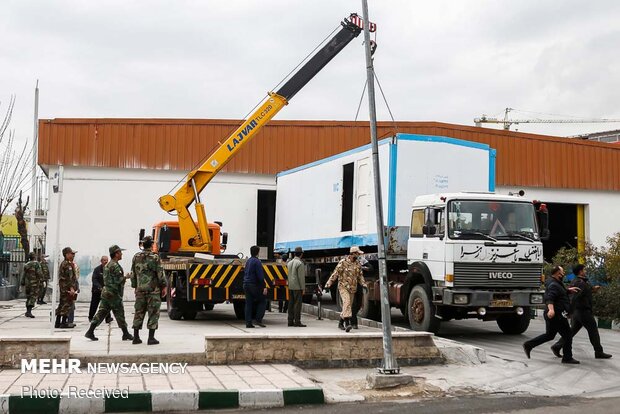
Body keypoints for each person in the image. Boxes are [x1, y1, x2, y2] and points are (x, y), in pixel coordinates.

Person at [551, 264, 612, 359]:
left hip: (577, 312)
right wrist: (569, 311)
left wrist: (592, 289)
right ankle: (599, 352)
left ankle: (557, 346)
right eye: (584, 269)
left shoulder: (577, 281)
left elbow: (582, 292)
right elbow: (575, 297)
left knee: (571, 331)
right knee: (593, 331)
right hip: (583, 311)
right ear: (580, 271)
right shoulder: (580, 282)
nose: (585, 271)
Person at [523, 266, 580, 364]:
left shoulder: (555, 282)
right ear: (558, 273)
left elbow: (559, 292)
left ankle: (529, 345)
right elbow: (550, 298)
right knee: (568, 335)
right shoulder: (553, 284)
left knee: (549, 335)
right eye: (562, 272)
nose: (564, 274)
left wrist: (568, 290)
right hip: (556, 314)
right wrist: (551, 310)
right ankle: (567, 357)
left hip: (554, 314)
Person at [85, 245, 134, 341]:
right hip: (113, 294)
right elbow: (117, 281)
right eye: (120, 252)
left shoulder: (108, 265)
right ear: (116, 254)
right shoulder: (115, 266)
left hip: (107, 293)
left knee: (101, 313)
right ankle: (126, 333)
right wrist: (126, 277)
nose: (121, 254)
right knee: (119, 313)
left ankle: (90, 331)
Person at [130, 236, 167, 345]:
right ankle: (151, 338)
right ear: (151, 245)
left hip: (140, 290)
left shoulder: (136, 257)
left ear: (143, 245)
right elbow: (160, 274)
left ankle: (136, 337)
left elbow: (133, 273)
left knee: (139, 312)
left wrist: (135, 286)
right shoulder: (155, 257)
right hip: (153, 290)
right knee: (153, 313)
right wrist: (164, 286)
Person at [324, 246, 368, 332]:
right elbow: (335, 274)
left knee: (347, 306)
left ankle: (340, 322)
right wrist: (328, 284)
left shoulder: (358, 264)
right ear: (353, 254)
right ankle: (347, 323)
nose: (359, 255)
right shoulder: (343, 262)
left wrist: (364, 285)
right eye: (358, 254)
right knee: (347, 302)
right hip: (343, 287)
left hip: (353, 288)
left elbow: (360, 276)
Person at [243, 245, 269, 328]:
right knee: (262, 301)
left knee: (248, 303)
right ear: (258, 252)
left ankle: (248, 323)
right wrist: (264, 286)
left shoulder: (248, 261)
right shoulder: (257, 262)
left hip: (246, 284)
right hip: (253, 285)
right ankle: (258, 319)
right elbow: (260, 276)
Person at [55, 247, 78, 329]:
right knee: (67, 304)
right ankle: (63, 322)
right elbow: (69, 278)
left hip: (64, 287)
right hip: (66, 288)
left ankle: (57, 322)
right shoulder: (67, 264)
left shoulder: (65, 263)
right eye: (71, 254)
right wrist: (71, 288)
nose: (73, 255)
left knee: (62, 304)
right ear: (67, 254)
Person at [350, 257, 373, 329]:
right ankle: (354, 323)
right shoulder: (346, 260)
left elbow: (370, 268)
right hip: (350, 284)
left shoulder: (361, 260)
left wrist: (362, 268)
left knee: (359, 304)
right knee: (353, 304)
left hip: (359, 284)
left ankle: (344, 319)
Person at [89, 256, 113, 323]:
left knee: (106, 304)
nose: (105, 261)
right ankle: (91, 317)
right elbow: (94, 279)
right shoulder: (97, 269)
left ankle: (108, 318)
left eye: (106, 260)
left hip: (105, 291)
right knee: (94, 305)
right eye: (104, 260)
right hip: (97, 291)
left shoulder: (109, 269)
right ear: (101, 261)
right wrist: (99, 287)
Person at [286, 246, 306, 327]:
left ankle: (290, 321)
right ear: (301, 254)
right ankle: (297, 321)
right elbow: (301, 277)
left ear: (294, 254)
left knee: (290, 304)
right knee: (297, 305)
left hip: (290, 286)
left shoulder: (289, 263)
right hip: (297, 287)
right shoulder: (300, 263)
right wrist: (303, 288)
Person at [21, 252, 43, 318]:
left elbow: (24, 274)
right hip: (34, 283)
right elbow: (39, 273)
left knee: (28, 297)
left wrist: (22, 282)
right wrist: (42, 280)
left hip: (27, 283)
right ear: (34, 257)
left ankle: (27, 311)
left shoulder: (26, 264)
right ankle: (29, 312)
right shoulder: (36, 264)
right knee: (33, 297)